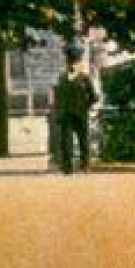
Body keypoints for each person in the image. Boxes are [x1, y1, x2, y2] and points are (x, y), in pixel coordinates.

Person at [52, 45, 99, 174]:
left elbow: (94, 97)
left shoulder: (80, 78)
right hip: (69, 113)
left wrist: (85, 106)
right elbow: (58, 96)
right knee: (70, 141)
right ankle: (73, 167)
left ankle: (79, 167)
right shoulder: (65, 78)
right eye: (72, 61)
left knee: (80, 140)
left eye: (74, 61)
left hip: (76, 113)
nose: (73, 64)